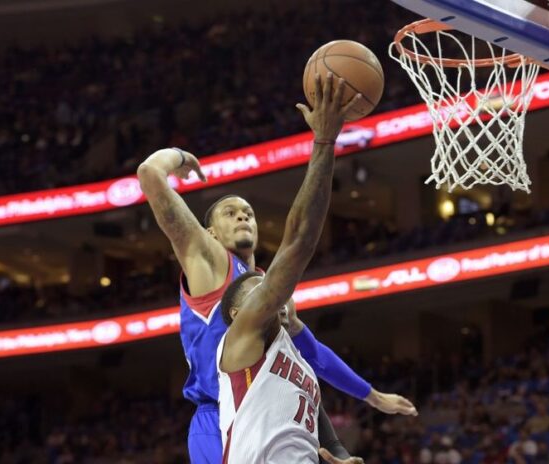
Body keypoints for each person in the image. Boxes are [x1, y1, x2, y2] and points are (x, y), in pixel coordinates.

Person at [137, 72, 416, 464]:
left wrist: (370, 396)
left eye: (248, 213)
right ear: (210, 232)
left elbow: (309, 354)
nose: (243, 216)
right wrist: (181, 158)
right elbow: (149, 175)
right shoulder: (209, 259)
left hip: (271, 415)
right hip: (220, 416)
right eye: (230, 213)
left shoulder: (267, 286)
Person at [216, 72, 365, 463]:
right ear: (238, 312)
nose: (273, 291)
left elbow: (307, 433)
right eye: (259, 288)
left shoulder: (297, 364)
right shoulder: (240, 340)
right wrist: (325, 141)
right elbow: (299, 242)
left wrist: (338, 456)